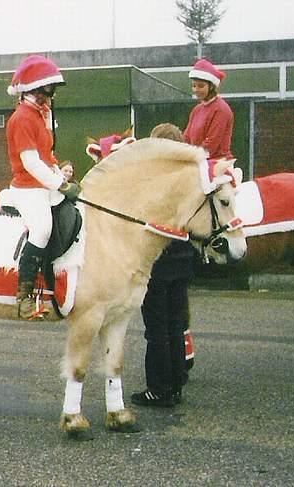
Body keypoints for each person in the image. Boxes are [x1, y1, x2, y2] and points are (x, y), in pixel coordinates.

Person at [6, 54, 80, 320]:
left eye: (51, 93)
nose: (50, 97)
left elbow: (47, 156)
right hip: (27, 187)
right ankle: (24, 296)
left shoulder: (39, 115)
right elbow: (31, 163)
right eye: (47, 92)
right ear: (33, 90)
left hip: (45, 183)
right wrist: (60, 184)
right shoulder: (22, 118)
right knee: (42, 228)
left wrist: (62, 178)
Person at [131, 123, 196, 408]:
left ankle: (158, 389)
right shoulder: (189, 177)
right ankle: (177, 383)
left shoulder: (151, 179)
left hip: (158, 261)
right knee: (175, 324)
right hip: (183, 258)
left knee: (156, 328)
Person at [183, 58, 234, 160]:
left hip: (218, 165)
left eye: (201, 86)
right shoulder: (196, 110)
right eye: (194, 86)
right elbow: (186, 139)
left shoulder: (221, 110)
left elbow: (211, 145)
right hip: (198, 161)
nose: (196, 90)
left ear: (211, 86)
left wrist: (189, 157)